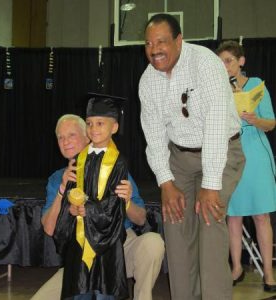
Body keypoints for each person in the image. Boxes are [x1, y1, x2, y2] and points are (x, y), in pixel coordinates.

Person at [138, 14, 245, 300]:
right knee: (176, 229)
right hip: (180, 160)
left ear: (179, 40)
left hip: (222, 151)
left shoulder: (206, 64)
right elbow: (155, 136)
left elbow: (216, 125)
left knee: (210, 226)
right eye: (148, 43)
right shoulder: (148, 81)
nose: (154, 49)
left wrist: (211, 185)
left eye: (161, 41)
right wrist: (166, 182)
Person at [31, 112, 164, 300]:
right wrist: (62, 190)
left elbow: (141, 218)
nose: (65, 141)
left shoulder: (114, 166)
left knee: (153, 243)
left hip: (119, 246)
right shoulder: (57, 178)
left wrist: (126, 203)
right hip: (80, 258)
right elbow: (50, 229)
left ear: (87, 136)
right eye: (60, 137)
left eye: (71, 135)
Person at [216, 40, 276, 291]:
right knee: (233, 215)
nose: (225, 66)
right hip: (230, 152)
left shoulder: (256, 85)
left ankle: (269, 273)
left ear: (241, 61)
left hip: (256, 152)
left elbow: (271, 123)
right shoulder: (218, 89)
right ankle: (237, 267)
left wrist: (255, 119)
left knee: (261, 215)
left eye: (228, 60)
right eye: (220, 62)